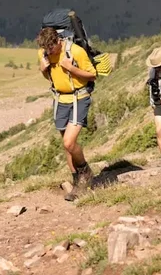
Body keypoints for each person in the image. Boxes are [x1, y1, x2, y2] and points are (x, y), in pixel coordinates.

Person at [37, 27, 97, 201]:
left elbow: (92, 75)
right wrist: (42, 69)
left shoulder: (76, 51)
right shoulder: (43, 53)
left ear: (58, 41)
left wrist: (71, 68)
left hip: (79, 98)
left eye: (51, 48)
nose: (49, 52)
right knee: (66, 145)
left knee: (69, 143)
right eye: (46, 49)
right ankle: (77, 181)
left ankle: (85, 171)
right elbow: (50, 76)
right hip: (60, 100)